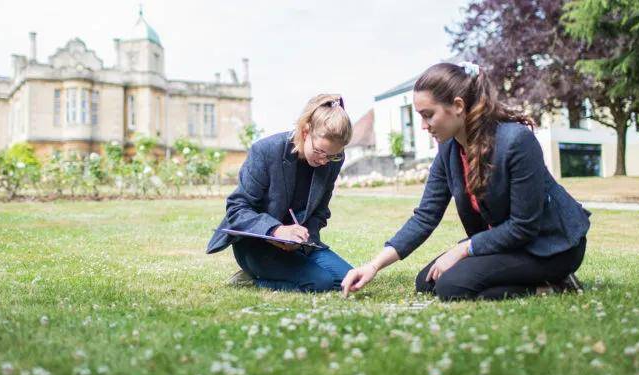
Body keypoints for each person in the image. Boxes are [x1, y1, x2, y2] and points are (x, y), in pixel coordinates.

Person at [342, 62, 591, 301]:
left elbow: (523, 227)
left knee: (452, 286)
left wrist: (462, 249)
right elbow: (425, 217)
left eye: (428, 115)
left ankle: (554, 283)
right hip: (507, 244)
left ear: (458, 106)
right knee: (427, 282)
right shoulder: (449, 149)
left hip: (550, 246)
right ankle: (538, 283)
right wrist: (374, 265)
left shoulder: (516, 141)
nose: (423, 126)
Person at [207, 94, 354, 292]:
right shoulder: (266, 151)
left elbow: (320, 211)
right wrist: (276, 231)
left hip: (300, 246)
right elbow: (237, 209)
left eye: (332, 155)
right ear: (305, 131)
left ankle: (296, 270)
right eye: (320, 151)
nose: (324, 161)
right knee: (320, 283)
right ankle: (253, 279)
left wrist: (304, 235)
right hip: (256, 245)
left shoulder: (333, 159)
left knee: (349, 280)